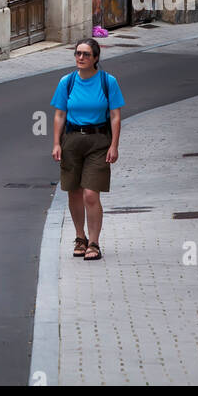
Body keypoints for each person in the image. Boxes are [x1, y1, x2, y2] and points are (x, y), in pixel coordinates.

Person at [50, 37, 124, 261]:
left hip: (98, 141)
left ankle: (94, 242)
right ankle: (80, 238)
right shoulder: (67, 82)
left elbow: (115, 116)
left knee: (91, 194)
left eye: (86, 54)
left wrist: (114, 146)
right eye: (77, 53)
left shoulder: (107, 81)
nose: (80, 58)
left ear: (96, 58)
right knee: (73, 191)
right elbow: (59, 114)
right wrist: (56, 143)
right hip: (72, 141)